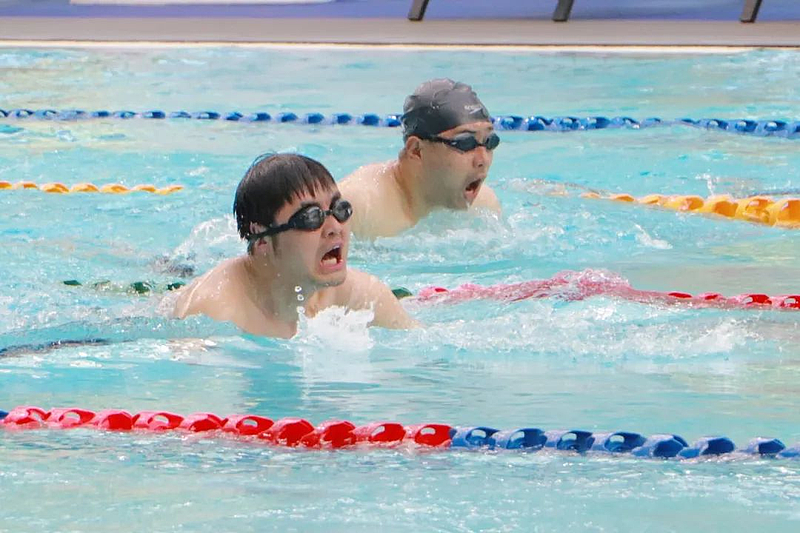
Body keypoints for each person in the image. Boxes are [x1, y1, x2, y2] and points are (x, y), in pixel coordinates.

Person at [173, 153, 417, 337]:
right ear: (262, 239)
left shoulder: (358, 295)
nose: (334, 227)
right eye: (310, 217)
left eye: (340, 209)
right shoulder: (215, 312)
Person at [340, 78, 501, 240]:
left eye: (490, 141)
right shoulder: (357, 208)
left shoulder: (484, 206)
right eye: (465, 143)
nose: (482, 160)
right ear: (416, 150)